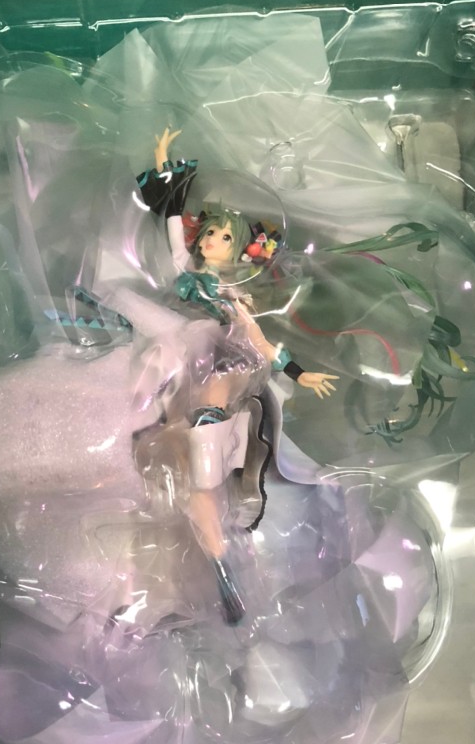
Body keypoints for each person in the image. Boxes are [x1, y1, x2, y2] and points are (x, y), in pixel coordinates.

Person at [135, 128, 337, 623]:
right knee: (192, 477)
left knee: (203, 455)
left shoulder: (232, 298)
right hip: (183, 364)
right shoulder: (187, 275)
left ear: (241, 248)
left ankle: (221, 553)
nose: (213, 241)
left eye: (225, 237)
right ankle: (219, 560)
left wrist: (299, 372)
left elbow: (260, 342)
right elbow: (172, 227)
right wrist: (164, 167)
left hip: (220, 372)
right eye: (211, 232)